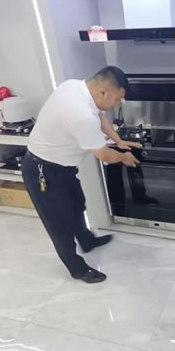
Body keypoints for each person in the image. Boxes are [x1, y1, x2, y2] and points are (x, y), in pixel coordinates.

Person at [22, 66, 141, 284]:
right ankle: (77, 269)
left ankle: (86, 240)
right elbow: (103, 154)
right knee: (59, 223)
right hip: (44, 171)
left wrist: (118, 140)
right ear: (103, 92)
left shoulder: (74, 87)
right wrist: (124, 157)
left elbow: (100, 116)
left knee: (77, 205)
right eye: (117, 99)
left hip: (63, 168)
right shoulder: (81, 115)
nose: (117, 104)